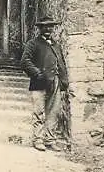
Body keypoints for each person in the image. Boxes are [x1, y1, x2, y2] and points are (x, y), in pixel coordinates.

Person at [20, 15, 72, 152]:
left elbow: (61, 63)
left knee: (53, 112)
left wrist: (63, 81)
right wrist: (37, 73)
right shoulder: (33, 44)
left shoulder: (56, 45)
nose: (48, 29)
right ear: (40, 28)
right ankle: (38, 139)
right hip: (39, 83)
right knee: (39, 111)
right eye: (45, 26)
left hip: (54, 82)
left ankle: (50, 139)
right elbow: (25, 62)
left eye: (51, 26)